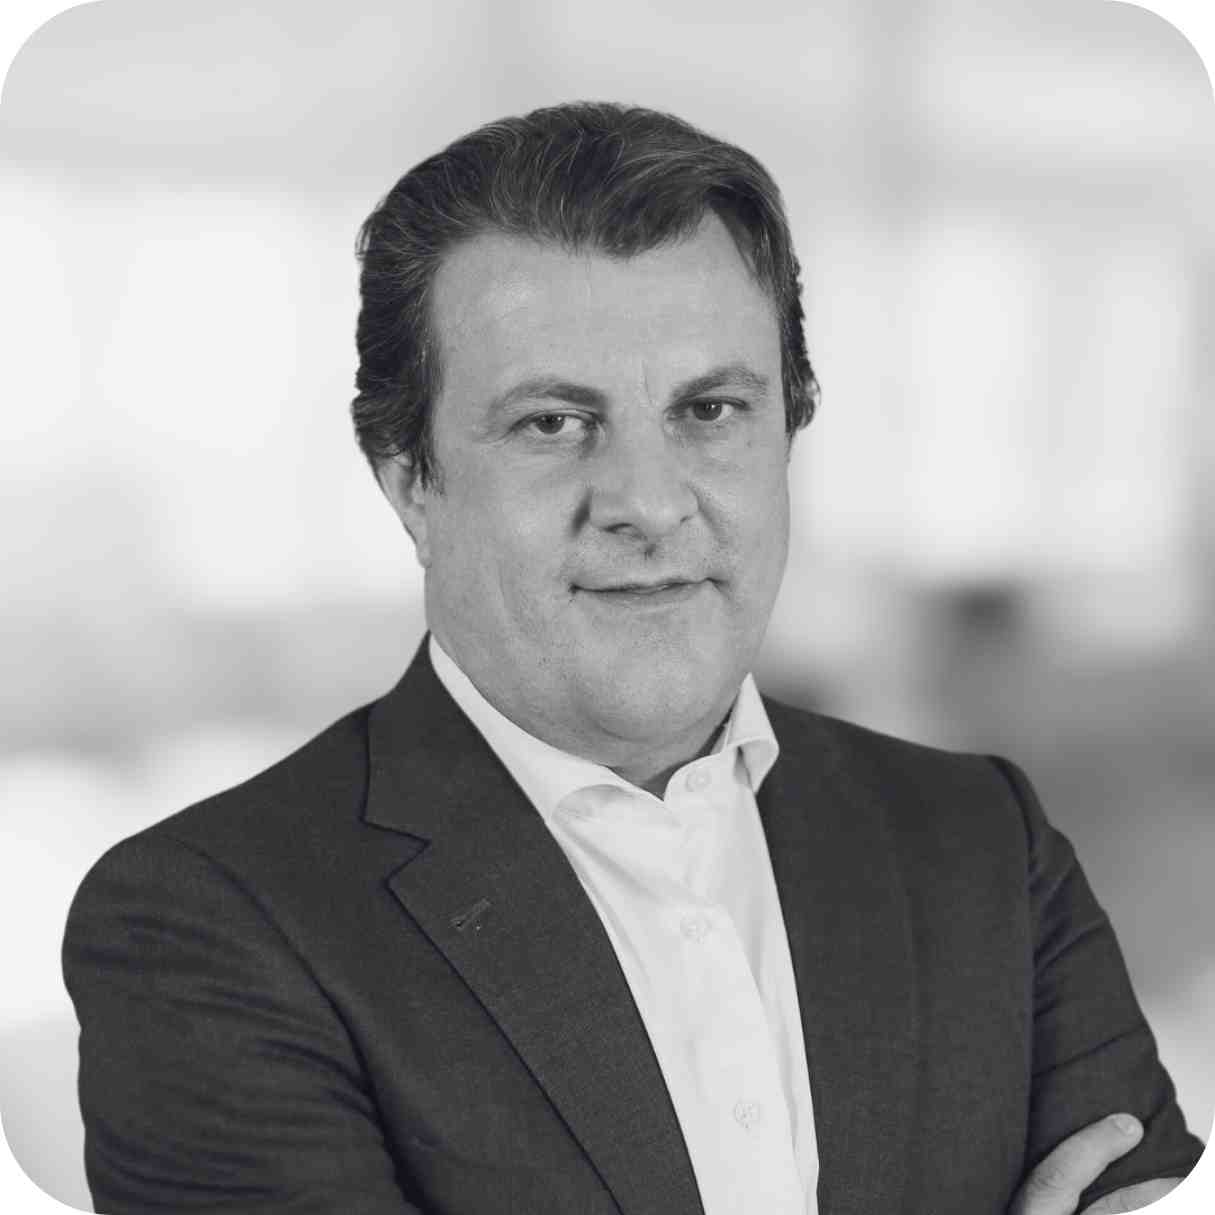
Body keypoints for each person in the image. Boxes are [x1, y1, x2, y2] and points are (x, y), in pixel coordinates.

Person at [63, 102, 1203, 1215]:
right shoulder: (207, 927)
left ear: (789, 437)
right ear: (410, 485)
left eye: (710, 410)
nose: (649, 504)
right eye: (552, 424)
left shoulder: (981, 839)